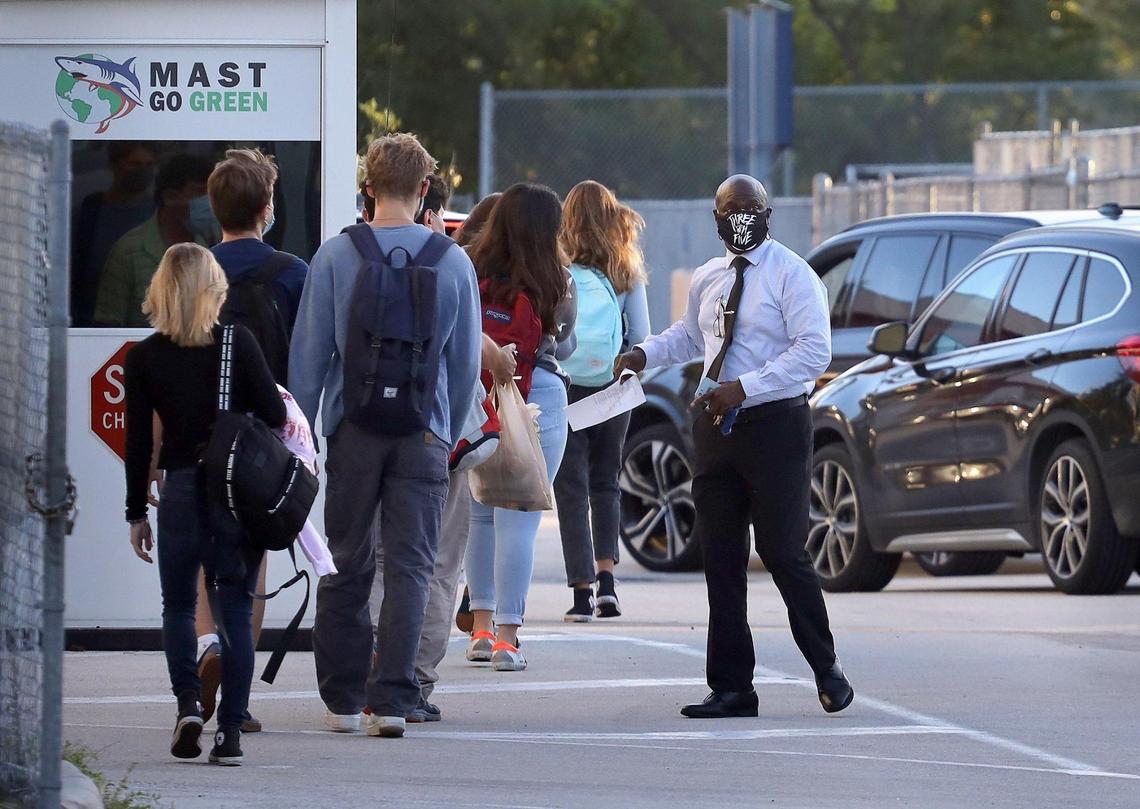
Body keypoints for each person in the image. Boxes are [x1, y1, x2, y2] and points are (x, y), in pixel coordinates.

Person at [614, 175, 854, 719]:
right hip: (715, 427)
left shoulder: (793, 275)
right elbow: (693, 337)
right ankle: (732, 686)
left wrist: (745, 387)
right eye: (731, 210)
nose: (742, 218)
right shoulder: (709, 276)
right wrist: (643, 355)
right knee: (720, 557)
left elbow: (815, 353)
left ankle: (827, 669)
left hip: (774, 427)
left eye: (752, 209)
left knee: (782, 551)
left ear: (767, 214)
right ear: (717, 217)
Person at [289, 132, 481, 739]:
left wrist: (309, 437)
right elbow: (466, 363)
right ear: (425, 189)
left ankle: (343, 700)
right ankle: (393, 699)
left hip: (353, 431)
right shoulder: (453, 261)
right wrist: (443, 430)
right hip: (424, 433)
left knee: (345, 561)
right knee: (412, 566)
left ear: (366, 187)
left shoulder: (336, 256)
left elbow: (309, 358)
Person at [124, 243, 285, 765]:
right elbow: (273, 413)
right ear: (215, 290)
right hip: (234, 495)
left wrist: (135, 513)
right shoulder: (238, 343)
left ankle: (189, 703)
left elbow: (138, 446)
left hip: (181, 490)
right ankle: (231, 734)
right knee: (236, 608)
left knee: (177, 606)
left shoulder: (145, 356)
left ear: (161, 292)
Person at [366, 189, 513, 722]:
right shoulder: (450, 264)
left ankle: (370, 673)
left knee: (379, 561)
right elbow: (476, 351)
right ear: (426, 200)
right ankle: (413, 683)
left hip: (366, 432)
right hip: (436, 438)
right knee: (436, 563)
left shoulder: (351, 254)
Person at [191, 148, 310, 734]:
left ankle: (205, 649)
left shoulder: (191, 267)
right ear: (268, 208)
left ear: (213, 207)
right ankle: (238, 687)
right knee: (252, 560)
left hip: (199, 431)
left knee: (201, 560)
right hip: (262, 437)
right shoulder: (291, 271)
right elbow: (307, 358)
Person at [463, 182, 575, 672]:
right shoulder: (558, 279)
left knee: (480, 515)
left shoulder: (468, 266)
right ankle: (510, 638)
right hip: (538, 397)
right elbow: (566, 347)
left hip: (477, 397)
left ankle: (481, 629)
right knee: (520, 519)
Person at [554, 180, 650, 621]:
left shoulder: (559, 268)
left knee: (570, 487)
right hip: (613, 386)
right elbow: (642, 336)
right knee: (606, 482)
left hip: (566, 385)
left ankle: (579, 594)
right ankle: (608, 583)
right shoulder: (626, 269)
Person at [94, 154, 216, 327]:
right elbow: (107, 324)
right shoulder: (128, 250)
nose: (209, 203)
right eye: (200, 193)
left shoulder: (214, 245)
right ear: (171, 197)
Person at [72, 141, 157, 326]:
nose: (143, 170)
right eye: (135, 164)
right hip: (88, 318)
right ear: (115, 165)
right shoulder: (90, 213)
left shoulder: (158, 213)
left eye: (148, 165)